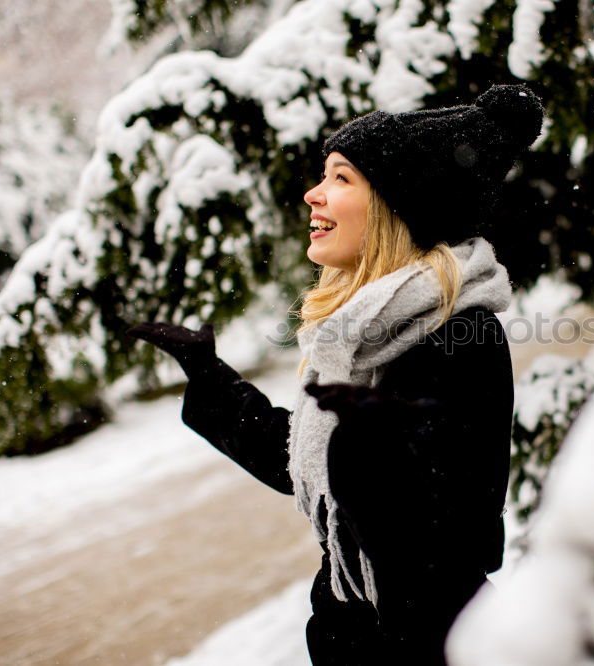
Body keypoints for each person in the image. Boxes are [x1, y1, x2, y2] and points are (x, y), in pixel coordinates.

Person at [128, 84, 544, 665]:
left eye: (340, 178)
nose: (312, 194)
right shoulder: (368, 333)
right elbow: (303, 459)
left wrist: (372, 454)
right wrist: (208, 377)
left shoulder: (458, 338)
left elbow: (444, 536)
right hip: (353, 632)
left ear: (400, 204)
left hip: (423, 647)